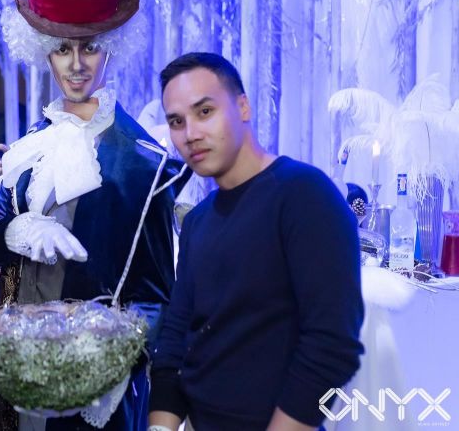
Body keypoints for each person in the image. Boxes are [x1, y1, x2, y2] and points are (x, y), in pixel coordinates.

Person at [0, 0, 188, 429]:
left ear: (110, 49)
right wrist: (17, 230)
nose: (75, 64)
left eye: (88, 48)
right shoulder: (31, 146)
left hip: (98, 395)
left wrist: (113, 365)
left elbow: (158, 297)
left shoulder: (146, 165)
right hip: (17, 382)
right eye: (62, 49)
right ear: (43, 51)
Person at [148, 53, 364, 431]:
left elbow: (332, 347)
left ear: (243, 107)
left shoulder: (303, 194)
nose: (190, 134)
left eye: (205, 111)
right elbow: (175, 341)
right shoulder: (198, 222)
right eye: (177, 122)